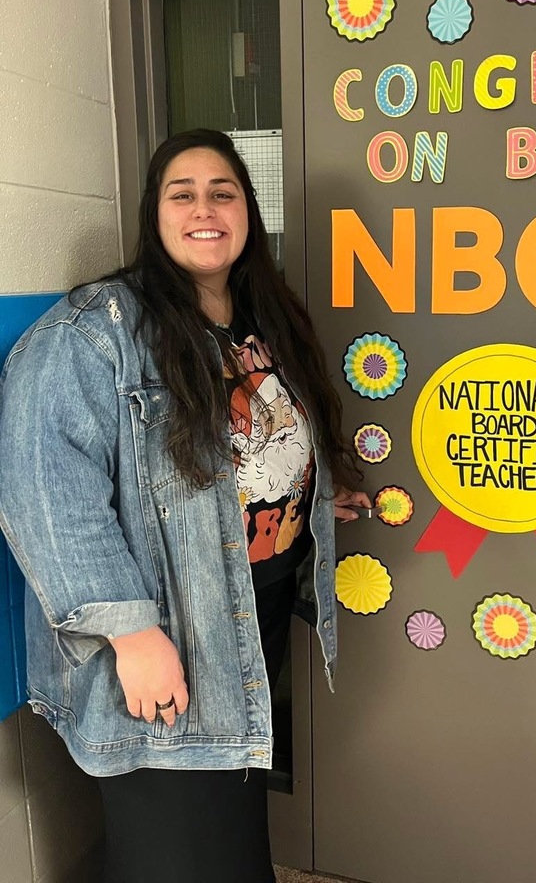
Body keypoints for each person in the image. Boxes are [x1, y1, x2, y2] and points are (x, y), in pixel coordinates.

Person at [0, 129, 371, 882]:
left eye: (222, 193)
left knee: (230, 826)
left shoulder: (254, 318)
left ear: (247, 212)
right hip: (170, 629)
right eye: (184, 194)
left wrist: (312, 494)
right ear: (155, 213)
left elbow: (255, 445)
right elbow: (46, 494)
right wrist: (132, 635)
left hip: (252, 611)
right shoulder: (94, 332)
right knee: (178, 847)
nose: (205, 209)